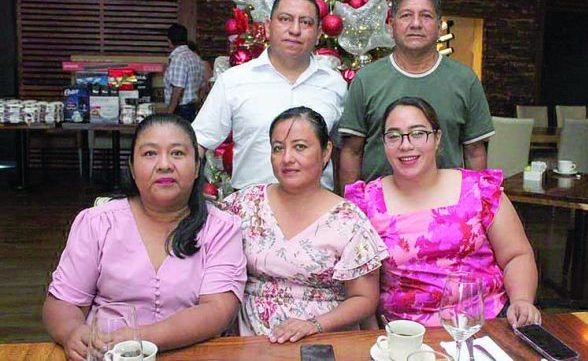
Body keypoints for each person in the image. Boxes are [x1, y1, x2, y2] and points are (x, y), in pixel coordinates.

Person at [42, 114, 247, 360]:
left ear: (196, 167)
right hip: (108, 354)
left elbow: (218, 310)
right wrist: (72, 333)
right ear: (132, 167)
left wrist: (139, 337)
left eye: (177, 153)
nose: (164, 165)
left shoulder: (221, 228)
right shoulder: (97, 223)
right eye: (150, 153)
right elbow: (64, 303)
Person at [345, 97, 540, 328]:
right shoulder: (366, 202)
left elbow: (516, 255)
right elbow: (360, 289)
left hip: (485, 324)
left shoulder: (479, 190)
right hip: (405, 334)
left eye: (418, 133)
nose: (405, 145)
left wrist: (521, 300)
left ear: (437, 138)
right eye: (394, 136)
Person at [221, 107, 388, 343]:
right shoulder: (245, 204)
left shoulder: (348, 220)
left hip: (322, 341)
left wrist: (314, 325)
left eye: (300, 147)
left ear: (326, 151)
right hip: (249, 341)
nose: (287, 158)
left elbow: (364, 299)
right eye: (278, 148)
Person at [339, 0, 494, 189]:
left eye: (426, 16)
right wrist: (351, 205)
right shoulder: (366, 79)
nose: (416, 24)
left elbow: (474, 152)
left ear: (439, 26)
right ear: (391, 25)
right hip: (379, 203)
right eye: (406, 15)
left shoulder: (465, 80)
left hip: (446, 203)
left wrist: (478, 202)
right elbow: (352, 151)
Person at [192, 0, 347, 191]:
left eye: (306, 22)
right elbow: (198, 142)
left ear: (318, 34)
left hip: (316, 205)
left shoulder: (334, 84)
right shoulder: (234, 81)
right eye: (285, 19)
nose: (295, 30)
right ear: (267, 27)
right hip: (251, 204)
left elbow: (343, 150)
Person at [163, 24, 205, 122]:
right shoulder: (195, 57)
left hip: (180, 111)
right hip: (191, 108)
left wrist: (168, 115)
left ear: (169, 41)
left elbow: (178, 88)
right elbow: (203, 86)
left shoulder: (179, 58)